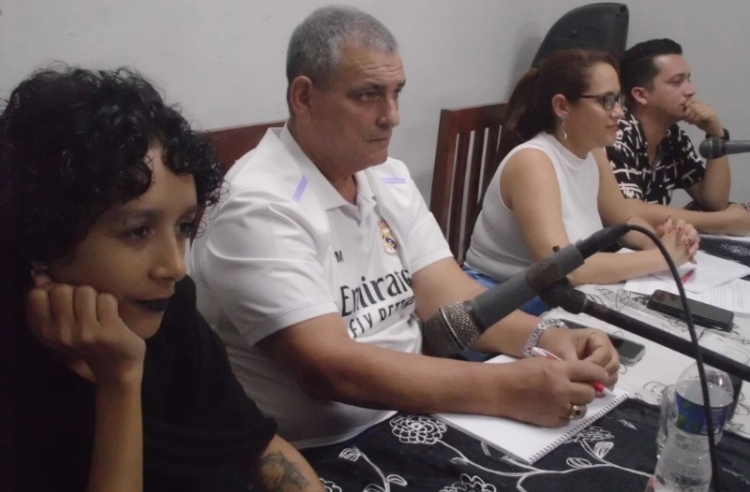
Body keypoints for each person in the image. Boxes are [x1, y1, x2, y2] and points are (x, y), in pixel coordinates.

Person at [188, 6, 619, 450]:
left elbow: (450, 296)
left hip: (408, 415)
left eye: (396, 93)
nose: (391, 115)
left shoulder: (385, 174)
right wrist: (507, 389)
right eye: (367, 95)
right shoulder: (258, 203)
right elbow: (328, 369)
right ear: (304, 97)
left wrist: (549, 338)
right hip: (314, 451)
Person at [0, 67, 324, 492]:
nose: (175, 266)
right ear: (44, 236)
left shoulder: (172, 313)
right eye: (138, 231)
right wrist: (120, 380)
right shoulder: (17, 374)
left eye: (184, 227)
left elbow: (258, 446)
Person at [464, 49, 698, 297]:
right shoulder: (533, 162)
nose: (619, 112)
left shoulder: (594, 151)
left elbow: (624, 219)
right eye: (606, 101)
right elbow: (564, 268)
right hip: (501, 298)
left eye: (619, 99)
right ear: (562, 106)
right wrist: (663, 257)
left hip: (555, 294)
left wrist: (664, 242)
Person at [604, 38, 750, 235]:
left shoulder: (673, 137)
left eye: (688, 79)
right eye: (677, 82)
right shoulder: (617, 132)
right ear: (641, 95)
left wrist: (716, 135)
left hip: (649, 246)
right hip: (610, 249)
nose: (691, 90)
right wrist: (723, 222)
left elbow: (713, 202)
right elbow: (629, 210)